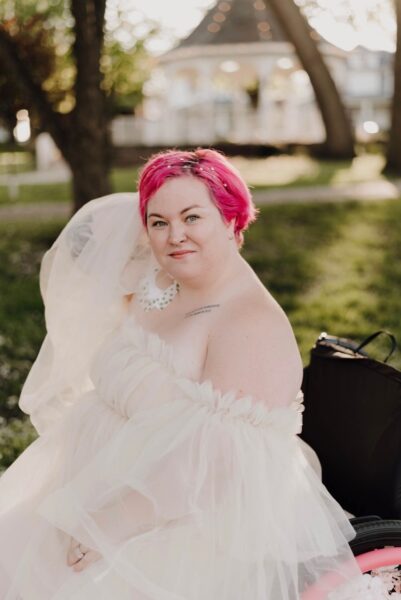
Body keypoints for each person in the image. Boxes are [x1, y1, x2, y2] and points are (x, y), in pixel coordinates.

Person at [0, 148, 389, 599]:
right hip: (98, 477)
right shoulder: (160, 278)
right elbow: (89, 244)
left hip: (183, 514)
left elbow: (218, 461)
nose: (175, 237)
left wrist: (107, 523)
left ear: (231, 218)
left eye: (192, 217)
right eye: (158, 222)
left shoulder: (249, 323)